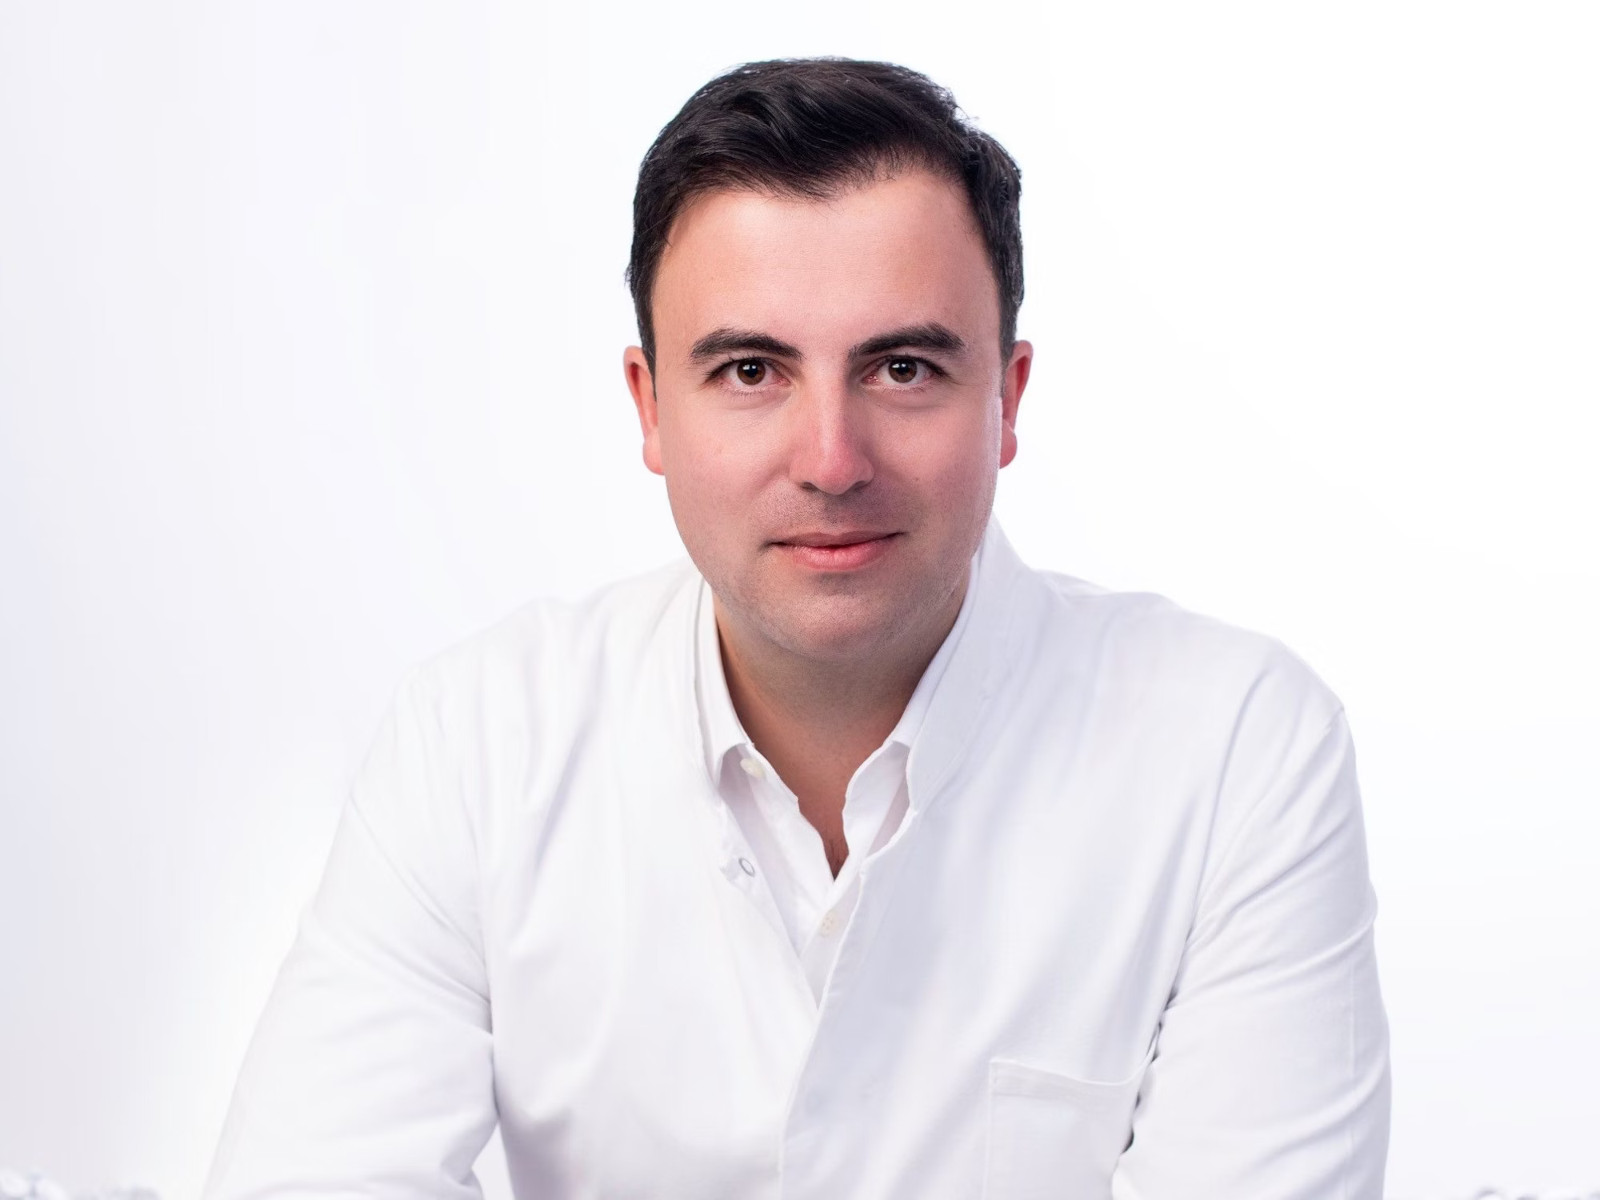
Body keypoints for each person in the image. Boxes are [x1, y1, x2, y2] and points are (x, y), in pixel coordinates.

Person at [203, 58, 1390, 1198]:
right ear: (650, 406)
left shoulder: (1235, 751)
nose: (830, 461)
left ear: (1006, 398)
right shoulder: (475, 744)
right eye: (750, 371)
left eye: (903, 368)